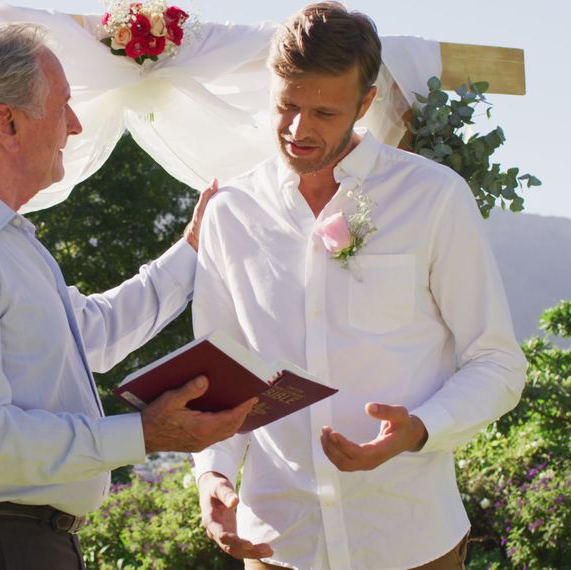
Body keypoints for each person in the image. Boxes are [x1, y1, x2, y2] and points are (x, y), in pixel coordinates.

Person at [0, 22, 257, 569]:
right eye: (63, 107)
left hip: (21, 544)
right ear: (7, 124)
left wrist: (193, 248)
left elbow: (91, 333)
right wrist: (142, 434)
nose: (74, 126)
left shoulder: (0, 240)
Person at [190, 3, 528, 569]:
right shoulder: (231, 212)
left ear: (365, 104)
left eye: (323, 111)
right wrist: (213, 474)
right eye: (286, 105)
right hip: (277, 542)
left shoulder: (434, 197)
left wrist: (419, 429)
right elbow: (219, 376)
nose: (298, 130)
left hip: (410, 538)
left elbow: (498, 363)